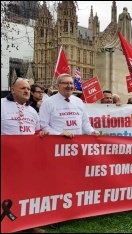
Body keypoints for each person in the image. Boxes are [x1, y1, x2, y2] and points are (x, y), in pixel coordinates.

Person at [1, 78, 48, 233]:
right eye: (22, 88)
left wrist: (41, 135)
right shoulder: (1, 104)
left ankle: (28, 224)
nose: (27, 91)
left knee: (27, 192)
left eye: (28, 88)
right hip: (5, 160)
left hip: (27, 161)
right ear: (12, 89)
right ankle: (6, 224)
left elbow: (35, 132)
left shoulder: (32, 111)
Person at [39, 73, 100, 137]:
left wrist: (92, 131)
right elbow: (44, 125)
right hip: (57, 143)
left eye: (71, 83)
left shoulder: (79, 101)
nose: (69, 86)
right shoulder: (48, 102)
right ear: (58, 85)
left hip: (76, 143)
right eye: (65, 83)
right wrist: (59, 134)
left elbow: (85, 123)